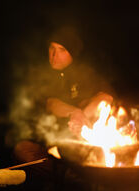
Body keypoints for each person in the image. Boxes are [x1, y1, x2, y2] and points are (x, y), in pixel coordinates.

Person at [9, 26, 115, 165]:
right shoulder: (42, 75)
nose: (54, 55)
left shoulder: (85, 73)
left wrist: (81, 116)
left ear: (72, 54)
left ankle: (73, 172)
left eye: (62, 50)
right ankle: (63, 173)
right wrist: (74, 112)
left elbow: (106, 97)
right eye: (52, 48)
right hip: (49, 142)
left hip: (79, 142)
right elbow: (52, 104)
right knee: (22, 149)